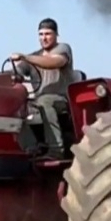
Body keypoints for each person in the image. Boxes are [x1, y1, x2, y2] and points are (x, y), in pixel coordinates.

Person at [11, 18, 74, 160]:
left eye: (47, 34)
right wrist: (12, 75)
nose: (43, 38)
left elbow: (54, 62)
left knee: (45, 101)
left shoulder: (63, 49)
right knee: (16, 106)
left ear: (56, 35)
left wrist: (25, 57)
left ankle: (56, 150)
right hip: (38, 101)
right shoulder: (34, 56)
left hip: (61, 99)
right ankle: (31, 148)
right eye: (40, 34)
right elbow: (17, 71)